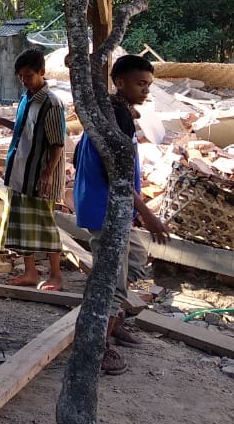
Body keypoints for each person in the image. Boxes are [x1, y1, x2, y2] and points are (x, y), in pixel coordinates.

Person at [72, 53, 170, 376]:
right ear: (119, 82)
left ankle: (114, 324)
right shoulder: (117, 116)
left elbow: (80, 154)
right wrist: (148, 215)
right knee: (110, 283)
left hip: (109, 206)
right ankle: (99, 345)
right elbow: (119, 176)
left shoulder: (108, 111)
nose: (145, 90)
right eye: (140, 84)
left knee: (134, 260)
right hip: (107, 209)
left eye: (148, 85)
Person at [1, 48, 67, 291]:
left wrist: (47, 174)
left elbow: (57, 143)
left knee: (44, 225)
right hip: (20, 172)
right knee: (20, 225)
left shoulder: (51, 103)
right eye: (20, 76)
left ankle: (56, 276)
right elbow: (24, 130)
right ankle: (30, 272)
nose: (24, 80)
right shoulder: (26, 98)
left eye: (28, 75)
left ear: (42, 72)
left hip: (39, 176)